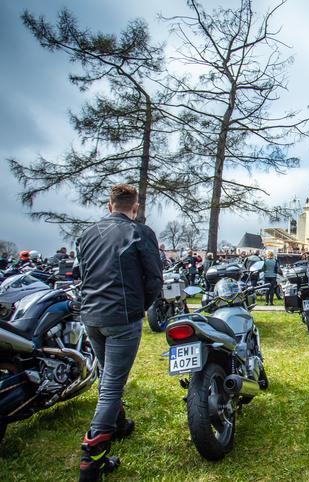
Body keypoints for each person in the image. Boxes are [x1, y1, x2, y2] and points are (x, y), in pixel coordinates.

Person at [75, 183, 162, 481]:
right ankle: (91, 460)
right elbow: (154, 279)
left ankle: (118, 425)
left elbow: (81, 274)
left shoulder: (87, 234)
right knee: (111, 385)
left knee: (107, 376)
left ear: (110, 206)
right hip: (122, 317)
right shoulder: (140, 232)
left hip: (92, 315)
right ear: (134, 208)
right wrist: (141, 307)